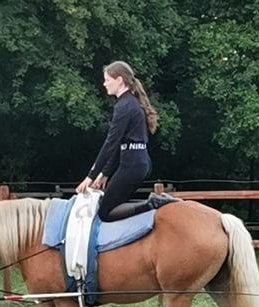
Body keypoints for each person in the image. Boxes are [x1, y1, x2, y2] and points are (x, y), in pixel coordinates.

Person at [75, 61, 181, 221]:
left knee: (105, 212)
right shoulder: (131, 103)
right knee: (115, 202)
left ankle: (152, 203)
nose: (104, 84)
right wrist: (105, 173)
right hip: (139, 162)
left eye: (107, 80)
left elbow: (110, 143)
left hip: (132, 165)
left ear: (119, 80)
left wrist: (90, 176)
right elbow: (120, 145)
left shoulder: (124, 106)